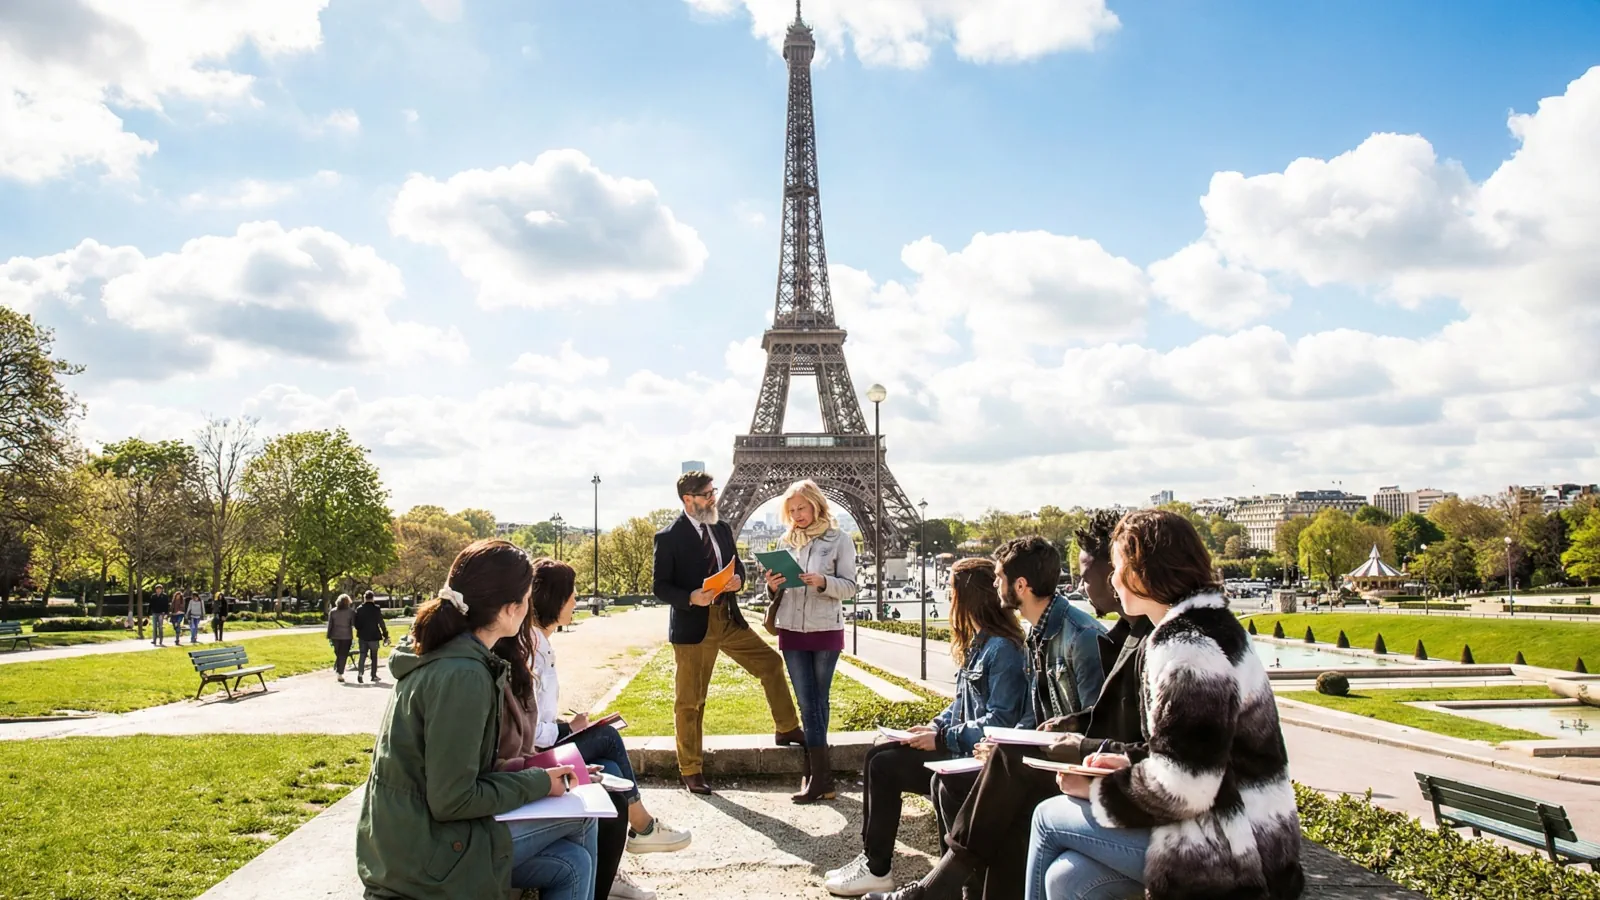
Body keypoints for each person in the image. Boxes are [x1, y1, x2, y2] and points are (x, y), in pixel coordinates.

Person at [1024, 509, 1303, 900]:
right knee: (1069, 880)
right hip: (1258, 838)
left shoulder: (1183, 646)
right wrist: (1129, 765)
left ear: (1140, 573)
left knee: (1046, 819)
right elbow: (1198, 756)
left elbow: (1187, 786)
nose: (1113, 579)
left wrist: (1099, 790)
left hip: (1230, 854)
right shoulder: (1216, 626)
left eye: (1118, 567)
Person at [880, 512, 1136, 900]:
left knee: (992, 788)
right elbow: (1040, 714)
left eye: (999, 578)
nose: (994, 585)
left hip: (1073, 766)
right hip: (1051, 757)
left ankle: (940, 890)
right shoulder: (1041, 633)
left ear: (1020, 585)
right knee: (954, 781)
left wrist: (1022, 743)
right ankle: (961, 891)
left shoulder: (1081, 637)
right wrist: (1012, 740)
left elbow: (1097, 725)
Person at [357, 539, 598, 900]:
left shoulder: (452, 655)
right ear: (508, 610)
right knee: (585, 814)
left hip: (408, 839)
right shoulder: (463, 676)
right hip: (423, 855)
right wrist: (538, 783)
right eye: (528, 598)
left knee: (571, 862)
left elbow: (460, 770)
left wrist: (540, 772)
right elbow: (453, 799)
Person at [825, 558, 1027, 898]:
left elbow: (1000, 722)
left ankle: (883, 869)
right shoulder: (980, 643)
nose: (947, 600)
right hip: (959, 748)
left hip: (974, 757)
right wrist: (933, 726)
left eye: (951, 592)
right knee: (880, 759)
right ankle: (875, 865)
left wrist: (941, 737)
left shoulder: (1002, 649)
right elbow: (962, 704)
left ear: (967, 597)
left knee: (890, 767)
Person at [494, 558, 689, 900]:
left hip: (536, 749)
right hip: (532, 757)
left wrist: (567, 726)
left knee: (611, 774)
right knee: (608, 737)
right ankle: (643, 826)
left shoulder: (538, 643)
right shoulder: (533, 648)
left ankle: (611, 869)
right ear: (556, 598)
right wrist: (566, 729)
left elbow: (531, 716)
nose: (576, 601)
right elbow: (528, 729)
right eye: (572, 594)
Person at [651, 470, 802, 795]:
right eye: (706, 494)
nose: (713, 498)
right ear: (687, 499)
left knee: (770, 664)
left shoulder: (721, 528)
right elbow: (659, 586)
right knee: (691, 701)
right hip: (695, 624)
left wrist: (738, 580)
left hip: (727, 617)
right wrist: (691, 596)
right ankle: (691, 769)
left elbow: (737, 565)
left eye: (713, 491)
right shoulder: (668, 537)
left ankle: (786, 727)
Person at [762, 479, 856, 804]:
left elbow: (851, 586)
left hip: (825, 629)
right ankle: (819, 776)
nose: (798, 514)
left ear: (816, 504)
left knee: (818, 700)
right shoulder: (785, 541)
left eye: (802, 507)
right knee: (808, 702)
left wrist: (823, 582)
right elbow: (776, 590)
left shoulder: (839, 539)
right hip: (791, 629)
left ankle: (816, 775)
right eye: (792, 510)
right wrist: (772, 586)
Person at [353, 590, 391, 683]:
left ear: (364, 598)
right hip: (374, 636)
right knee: (374, 656)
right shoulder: (376, 609)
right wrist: (385, 634)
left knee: (362, 655)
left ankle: (360, 674)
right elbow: (381, 623)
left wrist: (360, 629)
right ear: (373, 598)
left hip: (362, 636)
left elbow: (356, 624)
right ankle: (373, 675)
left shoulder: (359, 609)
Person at [327, 594, 356, 683]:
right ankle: (340, 672)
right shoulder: (351, 612)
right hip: (346, 636)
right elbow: (353, 623)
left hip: (335, 636)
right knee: (343, 654)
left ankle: (339, 669)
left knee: (338, 653)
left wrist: (328, 635)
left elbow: (330, 625)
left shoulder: (333, 611)